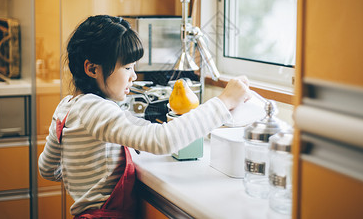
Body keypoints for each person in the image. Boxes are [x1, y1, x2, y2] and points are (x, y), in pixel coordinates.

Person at [38, 15, 251, 218]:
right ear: (92, 68)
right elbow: (162, 140)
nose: (134, 75)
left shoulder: (67, 107)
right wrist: (224, 102)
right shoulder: (95, 110)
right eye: (127, 67)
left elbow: (47, 168)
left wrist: (82, 170)